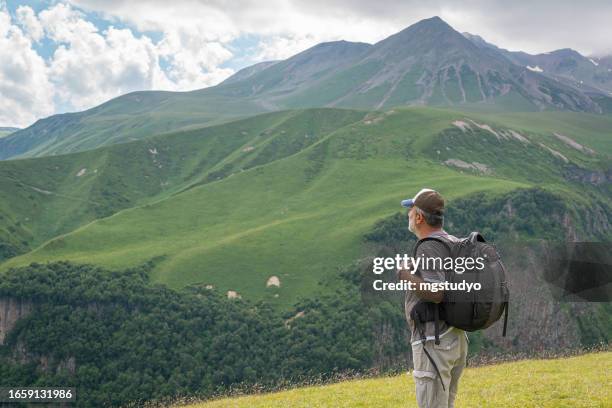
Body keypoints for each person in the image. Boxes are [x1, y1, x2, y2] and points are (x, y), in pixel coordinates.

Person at [397, 188, 468, 408]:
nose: (408, 214)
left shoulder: (428, 247)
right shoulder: (453, 241)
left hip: (434, 341)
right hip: (456, 337)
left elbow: (437, 293)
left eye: (410, 210)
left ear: (419, 217)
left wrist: (404, 275)